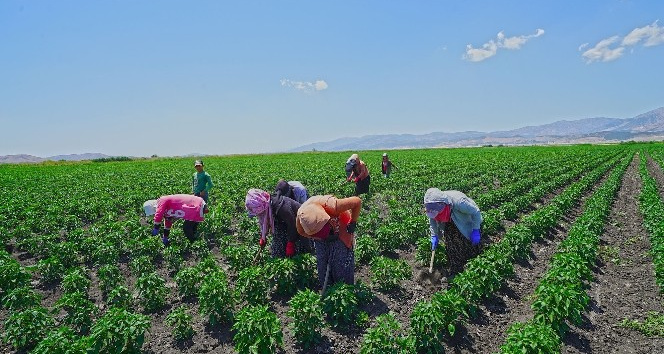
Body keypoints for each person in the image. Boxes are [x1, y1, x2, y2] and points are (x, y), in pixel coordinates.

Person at [296, 195, 361, 288]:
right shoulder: (302, 215)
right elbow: (301, 231)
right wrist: (319, 238)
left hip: (341, 228)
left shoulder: (334, 206)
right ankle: (327, 288)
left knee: (341, 263)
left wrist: (353, 222)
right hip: (320, 239)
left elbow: (357, 201)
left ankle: (345, 288)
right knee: (323, 264)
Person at [424, 188, 483, 275]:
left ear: (443, 206)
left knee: (470, 243)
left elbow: (475, 212)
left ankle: (474, 266)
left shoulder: (459, 202)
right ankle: (456, 269)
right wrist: (434, 235)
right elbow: (432, 220)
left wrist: (476, 229)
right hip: (449, 219)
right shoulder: (432, 205)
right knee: (451, 244)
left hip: (466, 219)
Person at [245, 187, 313, 258]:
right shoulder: (269, 206)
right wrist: (263, 237)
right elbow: (265, 220)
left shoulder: (282, 207)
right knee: (278, 249)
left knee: (300, 251)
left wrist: (290, 244)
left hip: (300, 226)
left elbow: (293, 226)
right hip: (285, 225)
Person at [143, 194, 208, 246]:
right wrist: (165, 237)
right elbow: (168, 222)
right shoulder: (166, 211)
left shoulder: (162, 200)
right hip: (194, 207)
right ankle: (197, 242)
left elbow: (159, 214)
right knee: (192, 229)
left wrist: (156, 228)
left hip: (195, 204)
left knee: (187, 228)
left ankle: (194, 244)